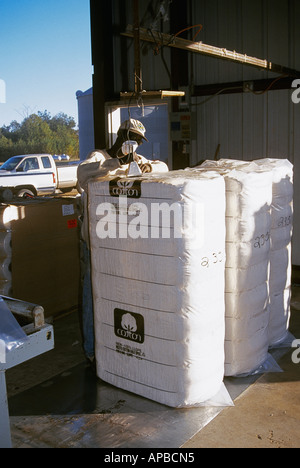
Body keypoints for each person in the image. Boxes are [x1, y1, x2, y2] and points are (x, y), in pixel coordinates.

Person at [77, 119, 168, 362]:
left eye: (138, 141)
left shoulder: (137, 160)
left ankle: (114, 342)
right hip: (95, 243)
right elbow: (82, 175)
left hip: (120, 244)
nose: (135, 144)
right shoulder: (99, 157)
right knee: (92, 294)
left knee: (117, 294)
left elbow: (164, 168)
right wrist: (116, 163)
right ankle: (90, 349)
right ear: (120, 135)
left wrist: (146, 166)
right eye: (131, 138)